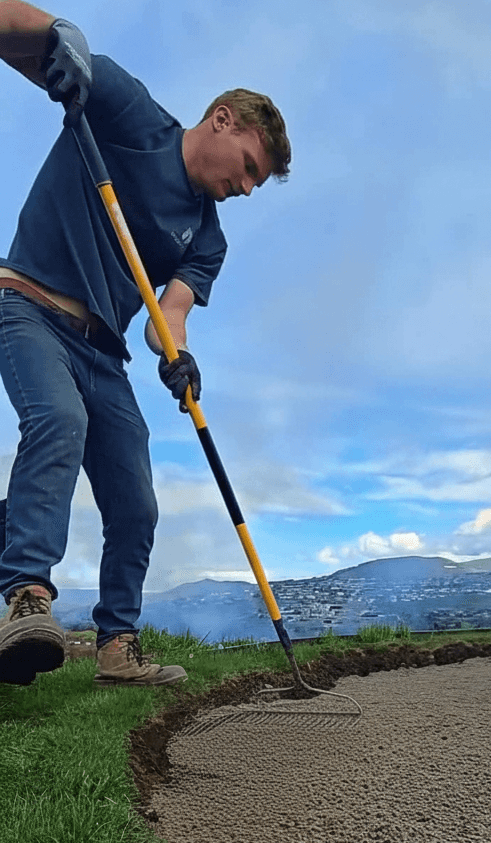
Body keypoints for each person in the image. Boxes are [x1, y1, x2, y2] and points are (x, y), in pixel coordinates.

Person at [0, 1, 290, 686]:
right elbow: (23, 43)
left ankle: (116, 647)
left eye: (255, 181)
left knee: (135, 498)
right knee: (58, 423)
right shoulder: (130, 113)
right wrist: (57, 38)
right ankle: (26, 600)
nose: (246, 188)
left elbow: (173, 310)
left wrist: (177, 354)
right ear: (223, 120)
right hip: (29, 305)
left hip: (105, 352)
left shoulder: (207, 234)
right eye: (248, 167)